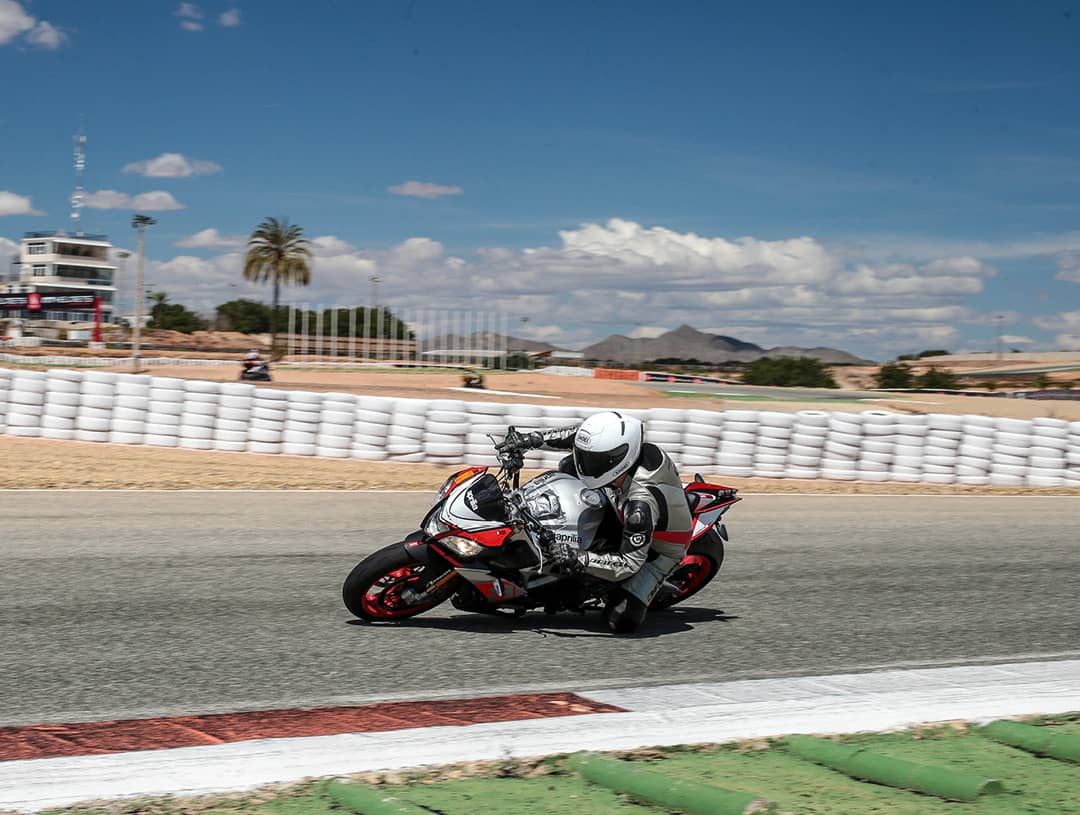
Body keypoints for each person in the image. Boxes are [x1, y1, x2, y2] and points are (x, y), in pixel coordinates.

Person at [500, 411, 692, 633]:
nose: (586, 464)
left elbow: (630, 564)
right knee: (567, 465)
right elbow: (578, 437)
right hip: (617, 504)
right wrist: (530, 439)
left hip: (660, 549)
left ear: (619, 459)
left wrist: (579, 559)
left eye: (594, 460)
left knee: (620, 621)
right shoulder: (618, 456)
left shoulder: (639, 507)